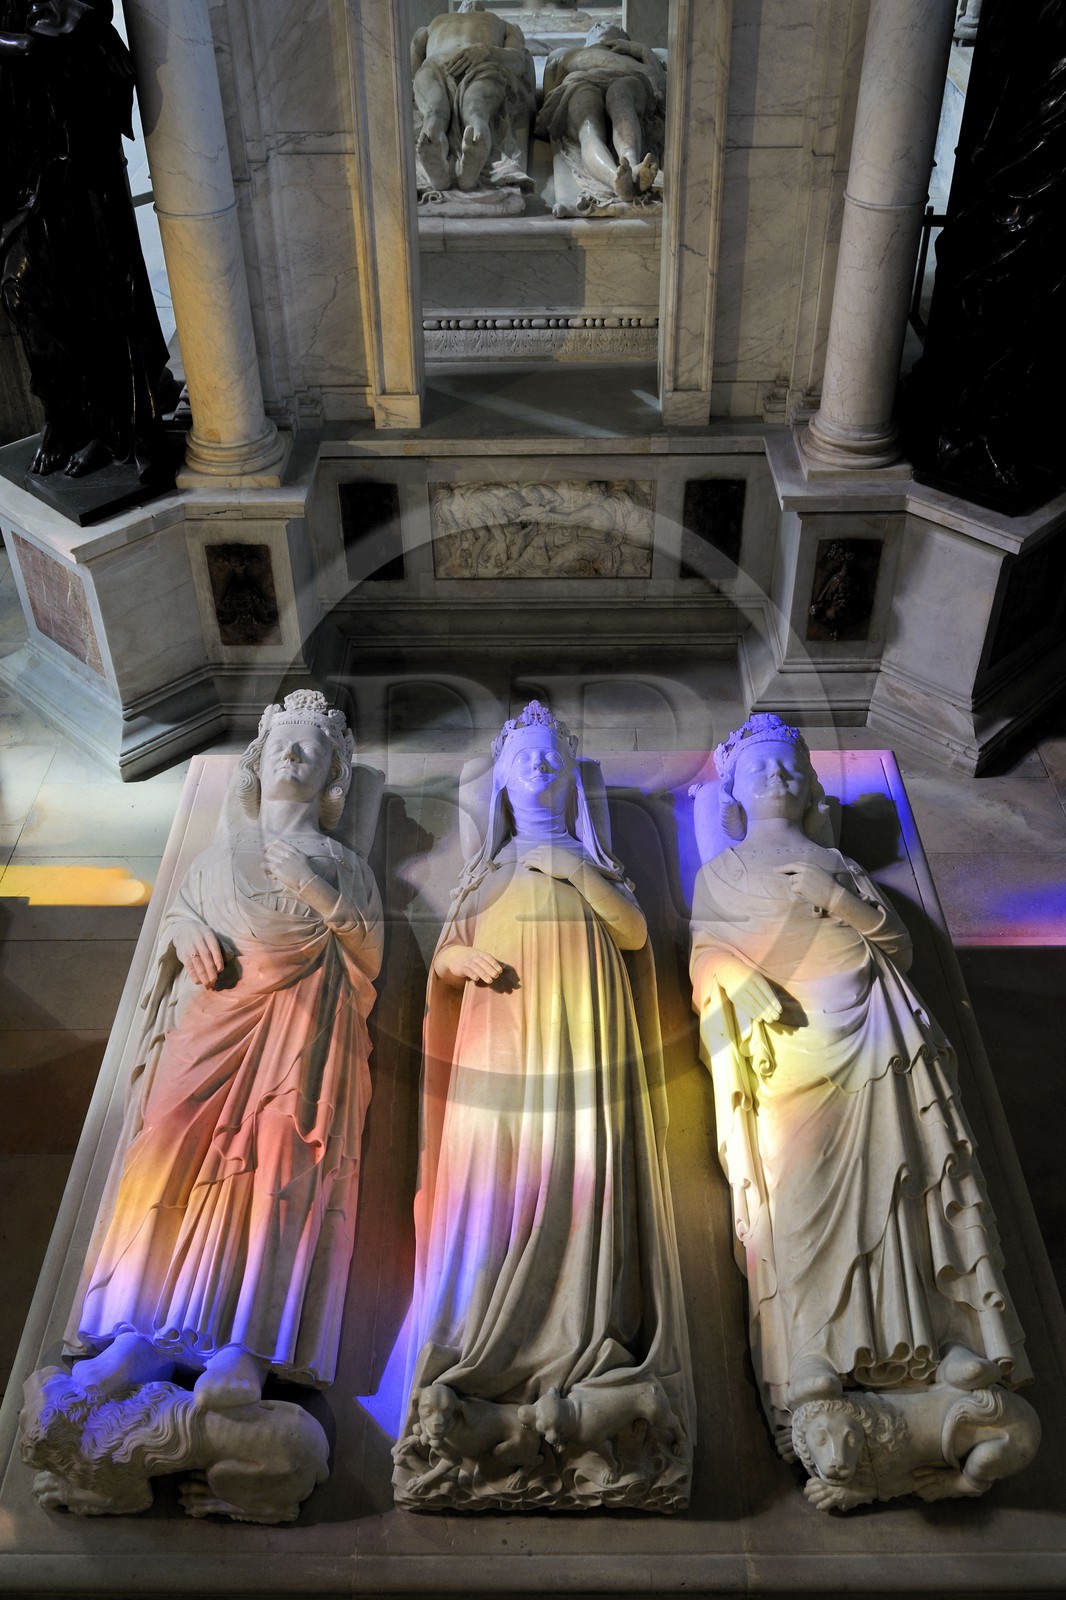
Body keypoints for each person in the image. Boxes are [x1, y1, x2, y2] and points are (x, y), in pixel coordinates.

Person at [689, 714, 1029, 1445]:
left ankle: (936, 1337)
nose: (775, 780)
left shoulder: (840, 865)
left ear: (808, 782)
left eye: (787, 769)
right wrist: (726, 976)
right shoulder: (721, 873)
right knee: (799, 1191)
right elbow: (704, 952)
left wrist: (836, 894)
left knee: (905, 1187)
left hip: (876, 1035)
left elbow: (897, 944)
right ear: (736, 790)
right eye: (759, 771)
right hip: (789, 1049)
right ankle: (814, 1352)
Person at [394, 701, 692, 1511]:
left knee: (579, 1172)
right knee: (493, 1181)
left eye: (551, 759)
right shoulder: (484, 875)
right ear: (497, 780)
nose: (537, 771)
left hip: (586, 1047)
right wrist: (454, 955)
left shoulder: (588, 862)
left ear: (570, 779)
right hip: (501, 1049)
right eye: (522, 759)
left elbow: (632, 934)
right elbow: (444, 972)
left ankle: (579, 1342)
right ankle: (481, 1343)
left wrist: (575, 871)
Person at [64, 691, 383, 1410]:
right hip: (210, 1024)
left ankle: (244, 1345)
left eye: (310, 748)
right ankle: (133, 1333)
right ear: (257, 763)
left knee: (279, 1160)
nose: (293, 755)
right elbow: (180, 918)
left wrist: (318, 893)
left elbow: (367, 953)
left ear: (334, 773)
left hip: (300, 1030)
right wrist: (183, 934)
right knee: (165, 1142)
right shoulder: (217, 856)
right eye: (280, 745)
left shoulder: (340, 861)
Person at [0, 0, 176, 481]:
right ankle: (69, 416)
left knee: (102, 291)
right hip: (22, 154)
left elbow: (74, 31)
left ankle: (124, 427)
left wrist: (18, 44)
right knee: (23, 291)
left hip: (75, 151)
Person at [410, 2, 535, 194]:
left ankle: (473, 163)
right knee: (434, 109)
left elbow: (519, 61)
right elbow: (412, 74)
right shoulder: (429, 28)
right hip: (434, 67)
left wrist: (487, 51)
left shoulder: (504, 25)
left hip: (483, 66)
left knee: (475, 107)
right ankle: (435, 157)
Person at [536, 23, 665, 206]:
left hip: (625, 80)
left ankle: (634, 166)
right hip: (580, 82)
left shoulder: (633, 56)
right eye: (595, 27)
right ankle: (616, 180)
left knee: (620, 97)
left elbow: (659, 85)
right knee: (588, 127)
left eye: (606, 25)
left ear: (623, 38)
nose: (599, 26)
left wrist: (641, 49)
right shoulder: (569, 56)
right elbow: (550, 99)